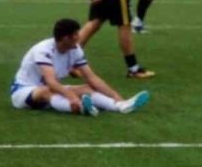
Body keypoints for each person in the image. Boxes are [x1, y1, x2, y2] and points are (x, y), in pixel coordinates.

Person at [11, 18, 150, 116]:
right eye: (75, 34)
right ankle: (82, 108)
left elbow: (92, 78)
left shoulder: (75, 50)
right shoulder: (43, 50)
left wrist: (117, 97)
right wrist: (72, 97)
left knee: (86, 88)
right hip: (23, 92)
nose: (79, 37)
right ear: (65, 38)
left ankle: (120, 107)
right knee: (47, 91)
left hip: (49, 90)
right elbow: (51, 82)